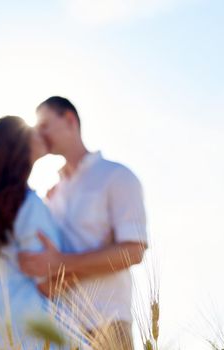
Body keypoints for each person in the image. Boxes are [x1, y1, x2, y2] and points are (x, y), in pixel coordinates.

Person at [18, 96, 148, 349]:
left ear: (69, 120)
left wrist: (62, 264)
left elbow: (133, 251)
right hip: (58, 333)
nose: (39, 134)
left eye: (44, 125)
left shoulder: (116, 176)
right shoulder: (50, 196)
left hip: (109, 325)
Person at [0, 116, 66, 349]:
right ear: (19, 144)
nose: (40, 134)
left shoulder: (0, 207)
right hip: (31, 330)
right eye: (33, 131)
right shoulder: (29, 205)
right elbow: (49, 283)